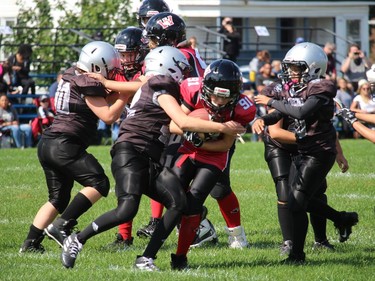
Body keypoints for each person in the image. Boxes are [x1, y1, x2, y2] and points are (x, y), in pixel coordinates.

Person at [59, 46, 246, 270]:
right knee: (127, 209)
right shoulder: (162, 86)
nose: (184, 76)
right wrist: (223, 126)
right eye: (182, 70)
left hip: (148, 158)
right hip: (131, 152)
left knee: (179, 203)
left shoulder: (151, 83)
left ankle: (146, 258)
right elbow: (182, 122)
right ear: (169, 68)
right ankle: (77, 239)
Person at [252, 42, 359, 263]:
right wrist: (263, 118)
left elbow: (300, 112)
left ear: (314, 68)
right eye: (290, 67)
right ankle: (339, 220)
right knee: (296, 201)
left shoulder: (321, 88)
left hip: (320, 151)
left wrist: (271, 102)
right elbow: (281, 112)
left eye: (297, 68)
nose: (291, 72)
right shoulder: (294, 88)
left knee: (297, 201)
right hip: (302, 150)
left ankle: (298, 255)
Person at [19, 41, 129, 253]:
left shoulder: (72, 72)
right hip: (64, 144)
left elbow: (102, 96)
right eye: (109, 68)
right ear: (97, 66)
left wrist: (123, 91)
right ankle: (62, 225)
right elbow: (108, 116)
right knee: (99, 183)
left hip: (48, 142)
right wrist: (125, 95)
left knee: (58, 199)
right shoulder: (87, 80)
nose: (112, 73)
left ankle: (30, 243)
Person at [168, 59, 256, 270]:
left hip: (216, 153)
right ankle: (179, 228)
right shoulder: (192, 90)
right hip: (188, 146)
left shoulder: (243, 108)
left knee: (203, 195)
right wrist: (215, 127)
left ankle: (185, 253)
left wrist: (209, 137)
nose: (218, 102)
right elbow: (174, 124)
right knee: (171, 190)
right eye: (215, 94)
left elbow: (225, 145)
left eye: (225, 97)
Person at [259, 77, 350, 255]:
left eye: (297, 69)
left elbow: (325, 126)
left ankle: (321, 239)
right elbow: (276, 132)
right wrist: (311, 140)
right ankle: (290, 242)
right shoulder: (282, 90)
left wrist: (336, 151)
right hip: (281, 146)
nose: (293, 74)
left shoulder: (316, 91)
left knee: (315, 192)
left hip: (308, 147)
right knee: (287, 193)